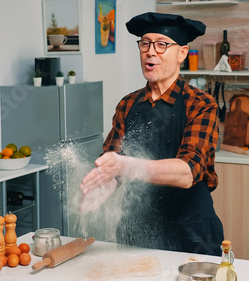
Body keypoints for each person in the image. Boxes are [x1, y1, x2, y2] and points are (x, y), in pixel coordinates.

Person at [79, 12, 224, 256]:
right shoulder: (127, 104)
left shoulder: (201, 104)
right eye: (145, 43)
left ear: (182, 54)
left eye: (162, 44)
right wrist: (106, 182)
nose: (151, 51)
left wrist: (125, 166)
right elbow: (112, 162)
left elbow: (189, 172)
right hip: (138, 230)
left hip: (191, 234)